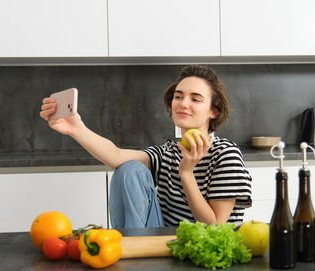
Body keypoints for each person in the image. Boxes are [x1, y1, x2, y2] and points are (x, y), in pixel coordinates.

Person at [39, 65, 252, 228]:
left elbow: (214, 228)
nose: (183, 103)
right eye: (178, 96)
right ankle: (133, 251)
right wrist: (76, 128)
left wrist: (186, 173)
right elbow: (115, 156)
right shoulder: (168, 151)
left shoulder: (225, 154)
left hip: (207, 251)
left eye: (195, 99)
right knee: (129, 168)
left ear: (213, 111)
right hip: (164, 245)